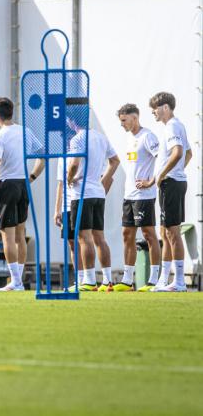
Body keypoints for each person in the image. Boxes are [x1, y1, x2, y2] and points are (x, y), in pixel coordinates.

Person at [0, 97, 44, 291]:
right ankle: (18, 281)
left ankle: (16, 282)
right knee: (21, 234)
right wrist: (32, 176)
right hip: (23, 184)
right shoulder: (25, 131)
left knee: (8, 236)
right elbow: (42, 155)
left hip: (7, 185)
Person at [67, 117, 120, 292]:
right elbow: (115, 161)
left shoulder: (77, 139)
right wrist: (103, 180)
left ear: (72, 121)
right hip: (97, 192)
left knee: (84, 238)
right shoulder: (100, 137)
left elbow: (74, 164)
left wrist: (69, 178)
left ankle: (89, 280)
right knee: (99, 238)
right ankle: (107, 280)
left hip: (82, 193)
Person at [113, 104, 162, 292]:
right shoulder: (128, 138)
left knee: (149, 234)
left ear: (135, 117)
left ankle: (153, 280)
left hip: (144, 195)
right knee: (127, 235)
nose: (122, 124)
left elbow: (162, 160)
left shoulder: (147, 136)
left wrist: (151, 181)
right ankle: (127, 280)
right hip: (129, 195)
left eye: (124, 120)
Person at [149, 92, 192, 292]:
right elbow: (188, 153)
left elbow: (179, 152)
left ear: (165, 107)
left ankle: (180, 282)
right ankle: (163, 280)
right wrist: (174, 172)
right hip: (172, 182)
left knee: (172, 232)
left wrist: (164, 174)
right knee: (165, 232)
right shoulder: (174, 126)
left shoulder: (173, 125)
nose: (153, 112)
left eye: (155, 108)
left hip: (171, 184)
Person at [54, 157, 80, 291]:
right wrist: (57, 210)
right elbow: (60, 184)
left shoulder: (81, 148)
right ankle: (79, 280)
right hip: (67, 206)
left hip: (80, 201)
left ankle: (88, 279)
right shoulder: (61, 157)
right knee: (72, 243)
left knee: (84, 240)